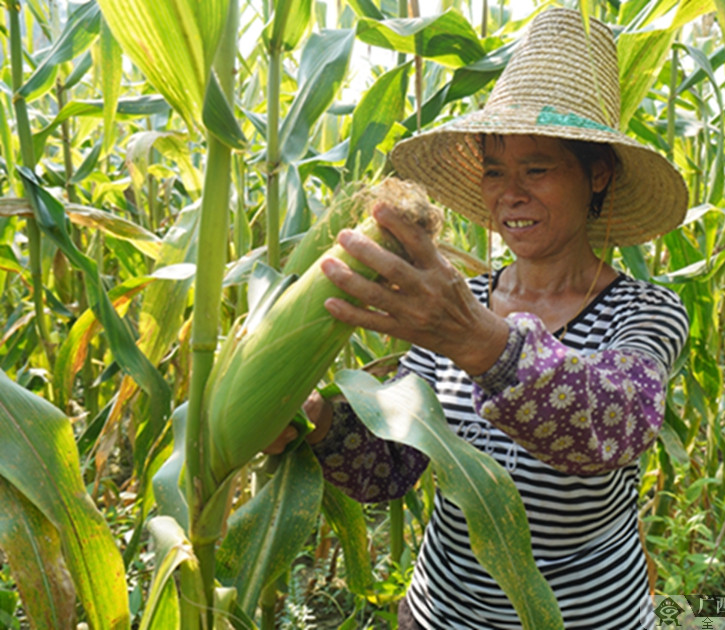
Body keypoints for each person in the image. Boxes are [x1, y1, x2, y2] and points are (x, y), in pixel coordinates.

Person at [269, 8, 689, 628]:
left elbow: (616, 426)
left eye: (537, 169)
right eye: (495, 172)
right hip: (442, 615)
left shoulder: (644, 313)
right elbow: (391, 466)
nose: (508, 194)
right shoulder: (454, 299)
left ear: (597, 173)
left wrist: (475, 338)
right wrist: (313, 420)